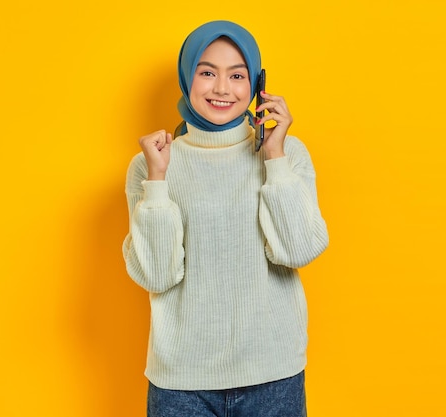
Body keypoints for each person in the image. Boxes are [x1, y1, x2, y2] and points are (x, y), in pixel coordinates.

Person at [122, 20, 329, 417]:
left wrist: (275, 158)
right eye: (207, 73)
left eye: (237, 75)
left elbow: (299, 249)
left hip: (274, 375)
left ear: (257, 84)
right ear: (187, 79)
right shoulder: (152, 164)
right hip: (182, 384)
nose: (221, 88)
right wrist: (158, 181)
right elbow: (156, 275)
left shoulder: (286, 153)